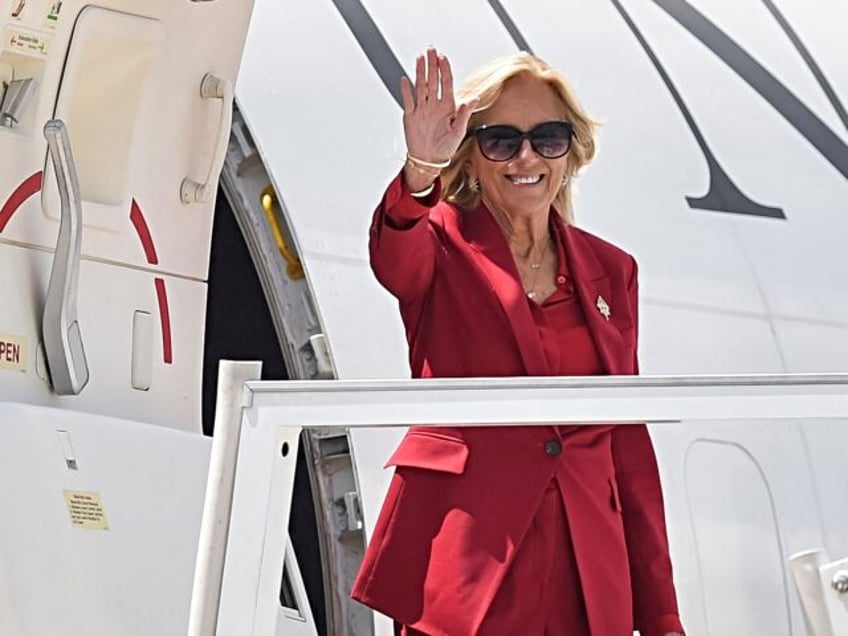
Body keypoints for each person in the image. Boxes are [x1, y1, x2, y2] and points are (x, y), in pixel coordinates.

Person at [351, 48, 685, 636]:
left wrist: (660, 614)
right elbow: (393, 258)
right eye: (500, 141)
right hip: (468, 560)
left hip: (584, 567)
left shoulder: (613, 270)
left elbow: (627, 444)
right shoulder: (439, 244)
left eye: (548, 138)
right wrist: (421, 170)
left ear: (572, 152)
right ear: (471, 158)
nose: (526, 156)